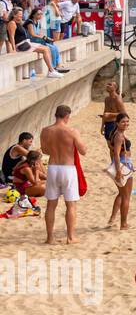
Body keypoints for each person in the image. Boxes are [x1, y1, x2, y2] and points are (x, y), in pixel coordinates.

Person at [40, 104, 87, 244]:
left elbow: (45, 150)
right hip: (67, 168)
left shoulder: (45, 131)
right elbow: (83, 151)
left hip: (53, 167)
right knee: (71, 204)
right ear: (67, 116)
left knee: (51, 205)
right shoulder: (71, 131)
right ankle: (71, 237)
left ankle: (49, 238)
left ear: (56, 115)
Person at [7, 9, 61, 77]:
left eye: (21, 14)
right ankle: (51, 71)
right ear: (14, 15)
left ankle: (52, 70)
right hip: (21, 45)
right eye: (20, 14)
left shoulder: (18, 23)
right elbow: (11, 37)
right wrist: (14, 49)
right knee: (45, 50)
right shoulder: (12, 23)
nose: (21, 16)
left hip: (26, 43)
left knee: (47, 48)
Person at [105, 114, 134, 229]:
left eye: (127, 121)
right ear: (117, 123)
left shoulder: (115, 133)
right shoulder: (119, 136)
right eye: (123, 122)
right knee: (126, 196)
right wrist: (118, 171)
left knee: (122, 194)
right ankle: (123, 224)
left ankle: (113, 218)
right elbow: (116, 154)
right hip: (123, 165)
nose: (126, 124)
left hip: (122, 164)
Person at [100, 80, 126, 154]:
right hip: (107, 125)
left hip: (114, 124)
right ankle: (113, 164)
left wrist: (110, 114)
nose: (107, 86)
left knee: (115, 147)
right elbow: (105, 113)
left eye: (110, 85)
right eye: (107, 84)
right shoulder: (107, 99)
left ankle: (117, 164)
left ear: (115, 87)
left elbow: (124, 113)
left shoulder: (117, 99)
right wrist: (102, 126)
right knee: (110, 147)